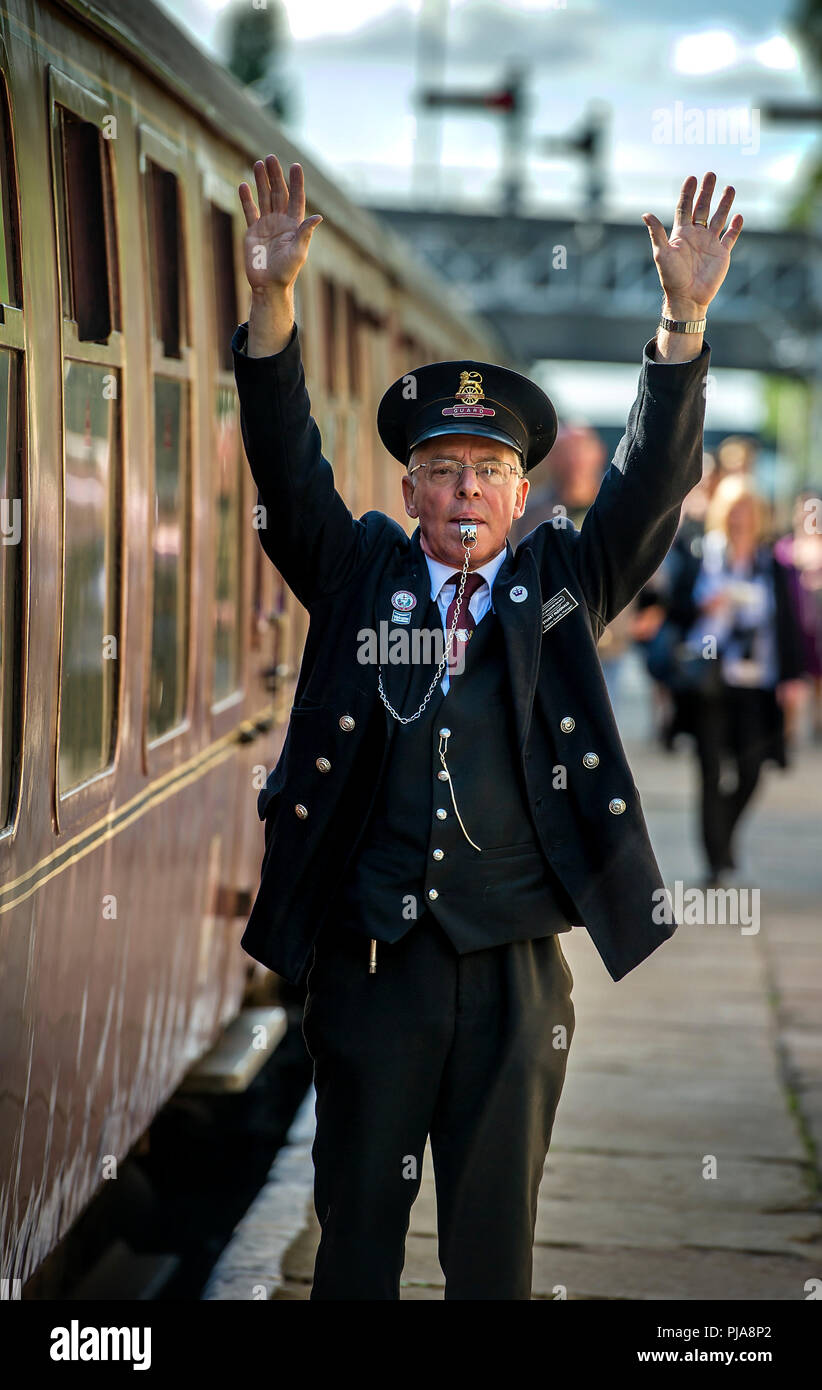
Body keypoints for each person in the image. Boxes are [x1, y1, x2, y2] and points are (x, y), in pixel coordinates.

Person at [232, 157, 742, 1299]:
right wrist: (271, 307)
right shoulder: (356, 572)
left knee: (493, 1255)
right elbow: (287, 467)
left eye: (489, 472)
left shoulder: (564, 582)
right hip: (373, 969)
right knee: (354, 1246)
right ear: (410, 490)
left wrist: (683, 325)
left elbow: (650, 486)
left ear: (522, 495)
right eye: (443, 469)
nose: (466, 490)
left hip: (515, 978)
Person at [680, 475, 806, 884]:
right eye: (734, 510)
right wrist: (703, 607)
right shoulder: (702, 554)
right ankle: (716, 862)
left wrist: (793, 678)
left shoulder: (772, 564)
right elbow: (675, 610)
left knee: (751, 770)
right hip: (710, 681)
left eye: (748, 511)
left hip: (757, 683)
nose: (741, 518)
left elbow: (789, 624)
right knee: (710, 771)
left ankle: (725, 839)